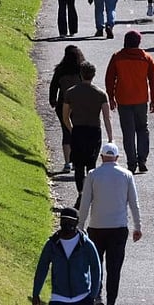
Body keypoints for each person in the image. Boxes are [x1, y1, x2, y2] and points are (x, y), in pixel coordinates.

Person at [77, 143, 141, 305]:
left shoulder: (93, 174)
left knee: (95, 264)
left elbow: (85, 203)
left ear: (102, 157)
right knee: (114, 268)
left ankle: (97, 295)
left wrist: (80, 226)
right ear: (117, 158)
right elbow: (134, 203)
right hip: (118, 228)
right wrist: (137, 226)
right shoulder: (126, 175)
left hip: (97, 227)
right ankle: (111, 301)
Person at [105, 31, 154, 174]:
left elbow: (110, 78)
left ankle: (131, 162)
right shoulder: (146, 58)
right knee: (142, 129)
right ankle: (142, 159)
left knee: (128, 132)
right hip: (141, 99)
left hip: (123, 99)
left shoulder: (117, 57)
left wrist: (111, 97)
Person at [62, 61, 114, 207]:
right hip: (94, 132)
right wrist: (110, 137)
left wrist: (71, 129)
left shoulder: (71, 92)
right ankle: (91, 192)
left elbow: (65, 115)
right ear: (93, 75)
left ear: (81, 74)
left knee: (78, 165)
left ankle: (80, 192)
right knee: (91, 164)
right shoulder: (100, 93)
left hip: (78, 130)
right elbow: (106, 117)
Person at [31, 207, 101, 305]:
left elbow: (96, 269)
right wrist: (35, 293)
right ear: (60, 221)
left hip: (83, 297)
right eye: (64, 220)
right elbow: (42, 268)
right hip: (58, 298)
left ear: (76, 222)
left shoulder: (86, 244)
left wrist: (93, 295)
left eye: (70, 221)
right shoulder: (52, 244)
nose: (67, 223)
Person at [48, 45, 85, 173]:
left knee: (66, 132)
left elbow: (53, 86)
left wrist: (53, 100)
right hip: (79, 105)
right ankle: (77, 160)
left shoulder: (60, 70)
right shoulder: (81, 69)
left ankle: (67, 162)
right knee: (79, 132)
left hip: (63, 104)